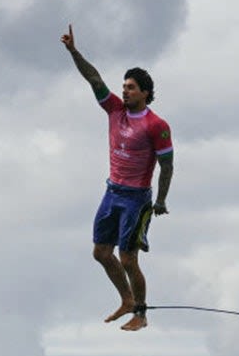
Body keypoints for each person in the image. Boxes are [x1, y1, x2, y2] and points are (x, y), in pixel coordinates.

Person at [61, 24, 173, 331]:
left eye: (131, 88)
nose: (124, 91)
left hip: (137, 199)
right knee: (100, 252)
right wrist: (73, 52)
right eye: (124, 86)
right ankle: (126, 299)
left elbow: (168, 165)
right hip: (112, 192)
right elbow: (94, 78)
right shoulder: (114, 110)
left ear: (146, 93)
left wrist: (161, 200)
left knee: (127, 258)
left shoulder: (156, 125)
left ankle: (141, 313)